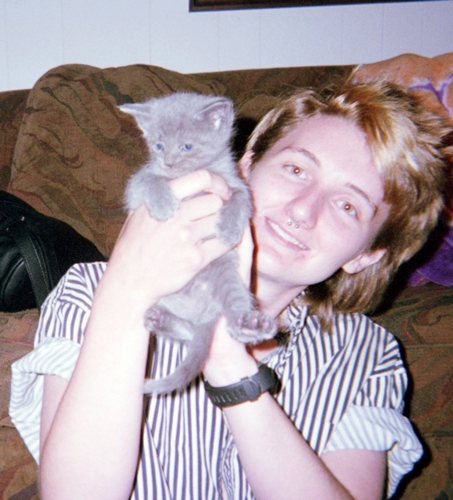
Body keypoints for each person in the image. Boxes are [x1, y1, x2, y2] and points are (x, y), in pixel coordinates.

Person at [9, 78, 451, 500]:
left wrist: (227, 361)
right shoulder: (93, 292)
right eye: (296, 169)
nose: (303, 210)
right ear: (247, 164)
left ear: (366, 255)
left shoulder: (366, 355)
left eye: (347, 205)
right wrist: (127, 290)